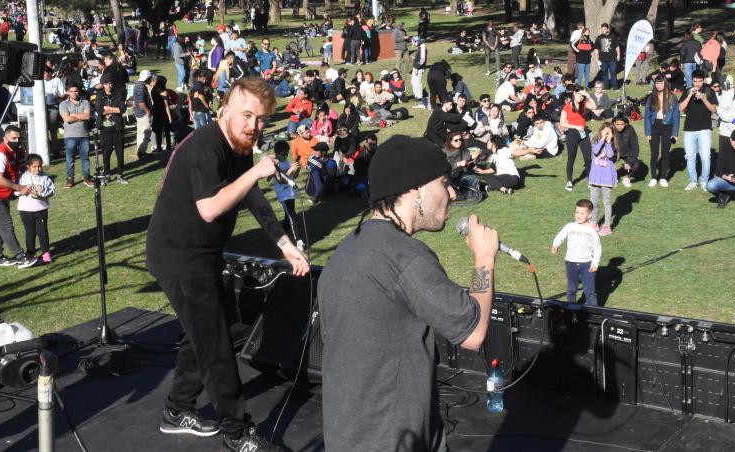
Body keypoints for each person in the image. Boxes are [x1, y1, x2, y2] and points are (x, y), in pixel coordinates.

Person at [146, 78, 309, 452]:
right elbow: (210, 208)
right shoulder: (206, 147)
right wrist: (255, 172)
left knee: (203, 332)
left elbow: (250, 195)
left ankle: (176, 410)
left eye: (262, 119)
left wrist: (284, 244)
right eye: (247, 115)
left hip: (203, 252)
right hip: (179, 255)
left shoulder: (239, 145)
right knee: (216, 341)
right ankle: (237, 432)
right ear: (225, 110)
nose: (254, 126)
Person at [318, 135, 498, 452]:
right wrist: (484, 259)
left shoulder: (350, 247)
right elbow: (473, 332)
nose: (453, 194)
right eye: (445, 183)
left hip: (348, 433)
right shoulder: (403, 256)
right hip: (392, 438)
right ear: (415, 188)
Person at [0, 126, 38, 268]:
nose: (16, 141)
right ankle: (21, 257)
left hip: (4, 193)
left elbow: (22, 169)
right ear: (5, 138)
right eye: (13, 138)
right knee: (5, 225)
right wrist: (20, 188)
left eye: (18, 138)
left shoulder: (18, 151)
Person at [551, 199, 602, 306]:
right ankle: (571, 312)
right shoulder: (570, 226)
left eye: (582, 213)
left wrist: (595, 263)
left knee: (589, 292)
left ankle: (595, 314)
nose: (578, 215)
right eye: (576, 212)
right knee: (571, 290)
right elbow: (561, 235)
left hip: (587, 265)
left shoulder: (591, 231)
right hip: (571, 263)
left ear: (589, 215)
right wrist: (555, 244)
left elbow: (597, 248)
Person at [679, 70, 719, 191]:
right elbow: (680, 108)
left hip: (705, 129)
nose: (697, 84)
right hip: (689, 129)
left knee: (705, 157)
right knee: (690, 156)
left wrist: (703, 98)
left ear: (704, 80)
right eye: (695, 81)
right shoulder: (687, 91)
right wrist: (690, 95)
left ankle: (704, 181)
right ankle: (692, 181)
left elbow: (714, 109)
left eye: (700, 81)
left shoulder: (709, 91)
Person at [16, 154, 54, 263]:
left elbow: (51, 191)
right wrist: (23, 189)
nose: (37, 169)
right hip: (25, 210)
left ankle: (46, 253)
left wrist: (42, 190)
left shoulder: (45, 178)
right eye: (34, 166)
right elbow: (15, 191)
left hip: (41, 209)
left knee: (42, 232)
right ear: (28, 166)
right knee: (30, 233)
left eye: (39, 166)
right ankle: (30, 253)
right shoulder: (22, 177)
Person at [644, 76, 680, 187]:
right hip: (655, 126)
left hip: (667, 127)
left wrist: (675, 133)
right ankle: (654, 177)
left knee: (665, 153)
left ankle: (663, 177)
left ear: (665, 84)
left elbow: (676, 116)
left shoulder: (672, 98)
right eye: (657, 83)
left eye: (661, 83)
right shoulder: (651, 97)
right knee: (654, 153)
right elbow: (647, 116)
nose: (659, 85)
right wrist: (648, 132)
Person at [560, 86, 596, 191]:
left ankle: (590, 180)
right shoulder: (567, 107)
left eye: (582, 95)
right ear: (574, 94)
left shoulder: (584, 104)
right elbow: (562, 123)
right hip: (572, 134)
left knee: (588, 158)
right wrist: (575, 126)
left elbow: (594, 107)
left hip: (583, 133)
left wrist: (588, 96)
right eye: (579, 94)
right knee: (571, 158)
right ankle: (569, 181)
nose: (581, 97)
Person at [96, 73, 129, 185]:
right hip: (105, 129)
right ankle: (106, 174)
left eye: (110, 83)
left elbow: (122, 109)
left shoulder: (118, 94)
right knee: (106, 153)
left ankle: (120, 175)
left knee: (120, 153)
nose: (108, 85)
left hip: (117, 128)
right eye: (106, 83)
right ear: (103, 85)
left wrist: (108, 108)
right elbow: (100, 110)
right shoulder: (100, 95)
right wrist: (114, 109)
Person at [59, 83, 93, 188]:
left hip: (83, 135)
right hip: (70, 135)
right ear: (68, 92)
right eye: (72, 91)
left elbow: (87, 117)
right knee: (70, 159)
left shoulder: (85, 102)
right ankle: (70, 179)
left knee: (85, 158)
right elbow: (67, 119)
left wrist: (73, 115)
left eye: (76, 91)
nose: (75, 93)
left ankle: (87, 178)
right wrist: (80, 117)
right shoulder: (63, 104)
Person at [588, 124, 618, 236]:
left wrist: (609, 141)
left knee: (607, 202)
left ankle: (606, 225)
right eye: (604, 131)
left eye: (608, 132)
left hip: (607, 178)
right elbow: (595, 152)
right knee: (593, 201)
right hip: (595, 177)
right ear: (600, 131)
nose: (606, 134)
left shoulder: (613, 144)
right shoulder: (595, 142)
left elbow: (610, 155)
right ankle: (594, 222)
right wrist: (602, 139)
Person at [270, 140, 299, 237]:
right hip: (283, 194)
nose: (285, 156)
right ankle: (298, 240)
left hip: (290, 192)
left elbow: (294, 176)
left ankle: (282, 232)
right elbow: (281, 180)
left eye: (287, 154)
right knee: (293, 216)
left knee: (289, 216)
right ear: (277, 153)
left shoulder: (286, 162)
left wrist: (297, 168)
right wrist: (290, 169)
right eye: (283, 154)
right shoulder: (275, 165)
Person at [613, 116, 642, 187]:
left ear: (625, 124)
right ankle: (613, 177)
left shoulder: (630, 129)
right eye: (617, 124)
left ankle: (627, 177)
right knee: (605, 164)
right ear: (614, 123)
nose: (619, 127)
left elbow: (635, 147)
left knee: (636, 164)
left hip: (627, 153)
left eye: (622, 124)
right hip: (614, 153)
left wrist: (629, 162)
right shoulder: (611, 129)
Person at [133, 70, 154, 160]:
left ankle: (140, 152)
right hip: (143, 113)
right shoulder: (141, 87)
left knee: (140, 134)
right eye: (150, 78)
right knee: (146, 134)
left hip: (138, 113)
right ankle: (141, 153)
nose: (151, 79)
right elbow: (141, 103)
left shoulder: (137, 84)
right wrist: (148, 111)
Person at [595, 23, 620, 91]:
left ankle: (615, 88)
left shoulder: (613, 36)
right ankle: (606, 87)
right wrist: (596, 58)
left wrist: (618, 55)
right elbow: (596, 49)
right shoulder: (599, 38)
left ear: (608, 29)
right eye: (602, 29)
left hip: (612, 59)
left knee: (613, 73)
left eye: (604, 29)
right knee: (604, 74)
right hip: (603, 59)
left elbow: (617, 46)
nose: (603, 30)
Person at [411, 38, 428, 108]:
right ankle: (416, 95)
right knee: (413, 81)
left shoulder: (422, 47)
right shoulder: (421, 47)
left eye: (414, 42)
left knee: (417, 81)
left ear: (418, 41)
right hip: (416, 67)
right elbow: (420, 58)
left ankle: (419, 96)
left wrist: (417, 68)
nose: (413, 44)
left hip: (418, 68)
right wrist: (415, 58)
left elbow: (422, 59)